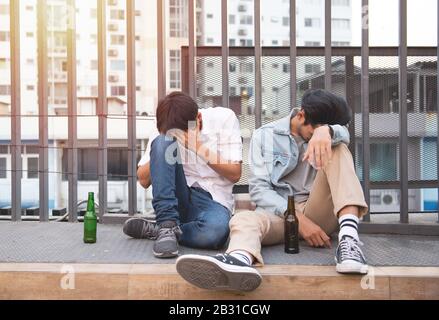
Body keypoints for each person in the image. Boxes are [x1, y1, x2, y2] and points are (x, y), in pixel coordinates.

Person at [176, 89, 369, 291]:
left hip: (318, 212)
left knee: (339, 149)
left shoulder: (329, 134)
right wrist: (297, 218)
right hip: (282, 216)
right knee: (243, 219)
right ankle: (238, 261)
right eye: (314, 130)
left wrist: (326, 132)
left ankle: (349, 242)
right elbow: (259, 190)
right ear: (301, 115)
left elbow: (344, 133)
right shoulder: (264, 135)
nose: (314, 137)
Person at [122, 92, 243, 258]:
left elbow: (235, 173)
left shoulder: (224, 119)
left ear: (198, 118)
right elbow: (143, 180)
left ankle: (161, 230)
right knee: (162, 143)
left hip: (214, 201)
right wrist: (166, 147)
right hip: (177, 198)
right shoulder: (165, 125)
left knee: (215, 232)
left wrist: (197, 146)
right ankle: (166, 225)